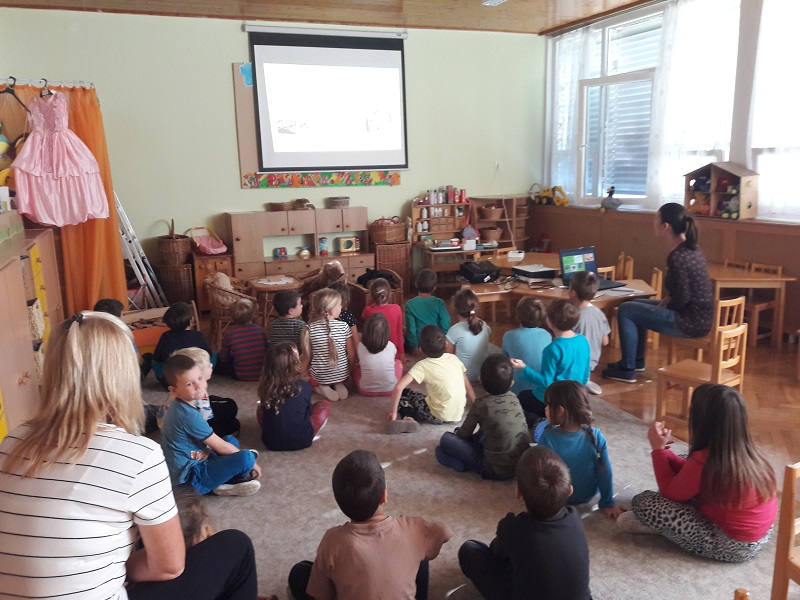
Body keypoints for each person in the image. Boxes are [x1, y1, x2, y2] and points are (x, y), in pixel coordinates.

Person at [0, 311, 261, 599]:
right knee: (235, 546)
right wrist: (119, 567)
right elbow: (168, 566)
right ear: (123, 377)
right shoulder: (138, 455)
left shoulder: (10, 443)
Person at [618, 384, 777, 562]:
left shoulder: (704, 460)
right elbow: (691, 470)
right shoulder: (748, 452)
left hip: (732, 545)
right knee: (685, 460)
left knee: (643, 501)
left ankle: (661, 528)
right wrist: (664, 452)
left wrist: (657, 450)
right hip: (762, 535)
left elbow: (669, 491)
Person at [287, 449, 453, 600]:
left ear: (340, 504)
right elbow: (445, 532)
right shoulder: (412, 528)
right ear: (384, 496)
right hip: (411, 541)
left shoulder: (332, 540)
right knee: (420, 546)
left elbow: (322, 596)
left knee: (300, 572)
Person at [458, 445, 592, 600]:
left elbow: (497, 553)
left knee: (469, 549)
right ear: (570, 491)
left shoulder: (513, 528)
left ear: (518, 492)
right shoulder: (575, 518)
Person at [603, 202, 713, 384]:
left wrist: (668, 304)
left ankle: (628, 369)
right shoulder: (693, 249)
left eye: (656, 219)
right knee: (635, 304)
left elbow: (683, 298)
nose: (653, 223)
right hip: (700, 318)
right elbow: (685, 291)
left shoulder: (678, 256)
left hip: (688, 322)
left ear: (665, 226)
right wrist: (669, 300)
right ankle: (636, 361)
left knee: (626, 310)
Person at [160, 353, 262, 496]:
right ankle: (228, 482)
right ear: (174, 391)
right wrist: (252, 463)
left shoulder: (182, 405)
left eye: (200, 378)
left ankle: (219, 481)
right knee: (246, 458)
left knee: (230, 440)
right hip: (189, 479)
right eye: (189, 384)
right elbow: (220, 447)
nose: (199, 386)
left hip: (197, 458)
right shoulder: (187, 415)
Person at [436, 354, 530, 480]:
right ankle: (466, 460)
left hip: (492, 469)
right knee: (489, 427)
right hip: (520, 465)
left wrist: (457, 435)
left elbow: (463, 434)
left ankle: (463, 465)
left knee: (444, 442)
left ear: (480, 380)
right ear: (511, 383)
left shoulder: (481, 404)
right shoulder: (514, 398)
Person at [537, 380, 621, 518]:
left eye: (548, 405)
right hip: (587, 495)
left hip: (557, 496)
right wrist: (607, 502)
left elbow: (538, 472)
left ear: (560, 411)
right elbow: (605, 472)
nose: (545, 409)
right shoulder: (596, 436)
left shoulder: (547, 437)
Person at [510, 299, 590, 422]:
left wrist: (523, 368)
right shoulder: (583, 341)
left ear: (550, 323)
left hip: (551, 400)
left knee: (521, 397)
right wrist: (578, 397)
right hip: (574, 397)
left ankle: (540, 420)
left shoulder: (552, 349)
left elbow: (547, 383)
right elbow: (585, 375)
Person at [388, 325, 476, 433]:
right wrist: (475, 403)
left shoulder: (422, 365)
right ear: (446, 343)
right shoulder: (454, 358)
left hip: (438, 415)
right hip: (458, 413)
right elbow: (467, 385)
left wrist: (393, 413)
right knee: (416, 395)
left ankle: (408, 418)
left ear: (421, 349)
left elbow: (398, 387)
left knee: (403, 394)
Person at [257, 342, 330, 451]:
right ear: (295, 364)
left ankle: (273, 431)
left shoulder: (265, 386)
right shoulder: (304, 386)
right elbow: (308, 412)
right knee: (324, 405)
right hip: (302, 441)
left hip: (270, 443)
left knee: (260, 408)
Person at [157, 347, 241, 438]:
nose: (211, 365)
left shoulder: (178, 388)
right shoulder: (200, 395)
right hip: (191, 433)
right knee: (233, 416)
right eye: (208, 365)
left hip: (166, 424)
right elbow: (207, 422)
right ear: (199, 373)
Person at [307, 288, 355, 401]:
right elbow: (352, 355)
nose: (341, 307)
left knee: (309, 376)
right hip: (342, 373)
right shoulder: (344, 326)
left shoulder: (310, 328)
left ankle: (321, 387)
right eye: (339, 305)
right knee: (338, 370)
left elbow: (308, 356)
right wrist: (349, 372)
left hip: (320, 375)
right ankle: (338, 383)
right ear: (332, 311)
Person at [153, 301, 214, 385]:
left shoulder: (165, 336)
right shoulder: (198, 335)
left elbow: (157, 357)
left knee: (152, 360)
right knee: (213, 355)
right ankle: (202, 376)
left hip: (171, 379)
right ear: (191, 320)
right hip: (195, 375)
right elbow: (208, 353)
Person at [502, 297, 551, 401]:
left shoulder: (509, 336)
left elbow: (505, 361)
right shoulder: (547, 335)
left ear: (518, 316)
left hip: (517, 390)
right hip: (542, 388)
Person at [569, 271, 610, 395]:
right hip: (592, 362)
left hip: (575, 363)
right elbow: (605, 341)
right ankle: (584, 380)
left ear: (572, 292)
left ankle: (577, 382)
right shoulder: (599, 313)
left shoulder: (573, 316)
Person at [216, 297, 268, 381]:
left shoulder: (230, 335)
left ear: (232, 318)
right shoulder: (260, 330)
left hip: (241, 374)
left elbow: (223, 358)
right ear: (253, 315)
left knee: (217, 359)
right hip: (263, 373)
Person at [447, 288, 492, 383]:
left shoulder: (454, 330)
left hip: (464, 377)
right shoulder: (484, 325)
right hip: (484, 373)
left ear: (455, 309)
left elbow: (449, 357)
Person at [354, 312, 403, 396]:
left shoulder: (360, 346)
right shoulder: (391, 346)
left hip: (365, 390)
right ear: (387, 333)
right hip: (391, 389)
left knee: (355, 367)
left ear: (366, 331)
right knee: (398, 362)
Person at [404, 268, 450, 355]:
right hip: (437, 341)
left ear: (416, 284)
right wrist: (444, 339)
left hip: (420, 344)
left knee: (403, 331)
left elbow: (411, 328)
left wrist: (414, 347)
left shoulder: (410, 304)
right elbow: (445, 322)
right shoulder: (439, 303)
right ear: (434, 288)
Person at [361, 277, 404, 360]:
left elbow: (363, 316)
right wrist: (401, 353)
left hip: (375, 348)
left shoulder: (368, 310)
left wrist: (371, 301)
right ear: (390, 294)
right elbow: (399, 332)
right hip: (394, 350)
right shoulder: (397, 308)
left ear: (372, 295)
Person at [268, 289, 310, 357]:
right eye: (300, 304)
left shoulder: (272, 325)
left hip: (277, 359)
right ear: (291, 311)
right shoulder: (301, 325)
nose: (302, 306)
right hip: (295, 359)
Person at [329, 280, 360, 347]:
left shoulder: (323, 314)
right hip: (345, 350)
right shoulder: (348, 315)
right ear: (345, 300)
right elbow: (356, 340)